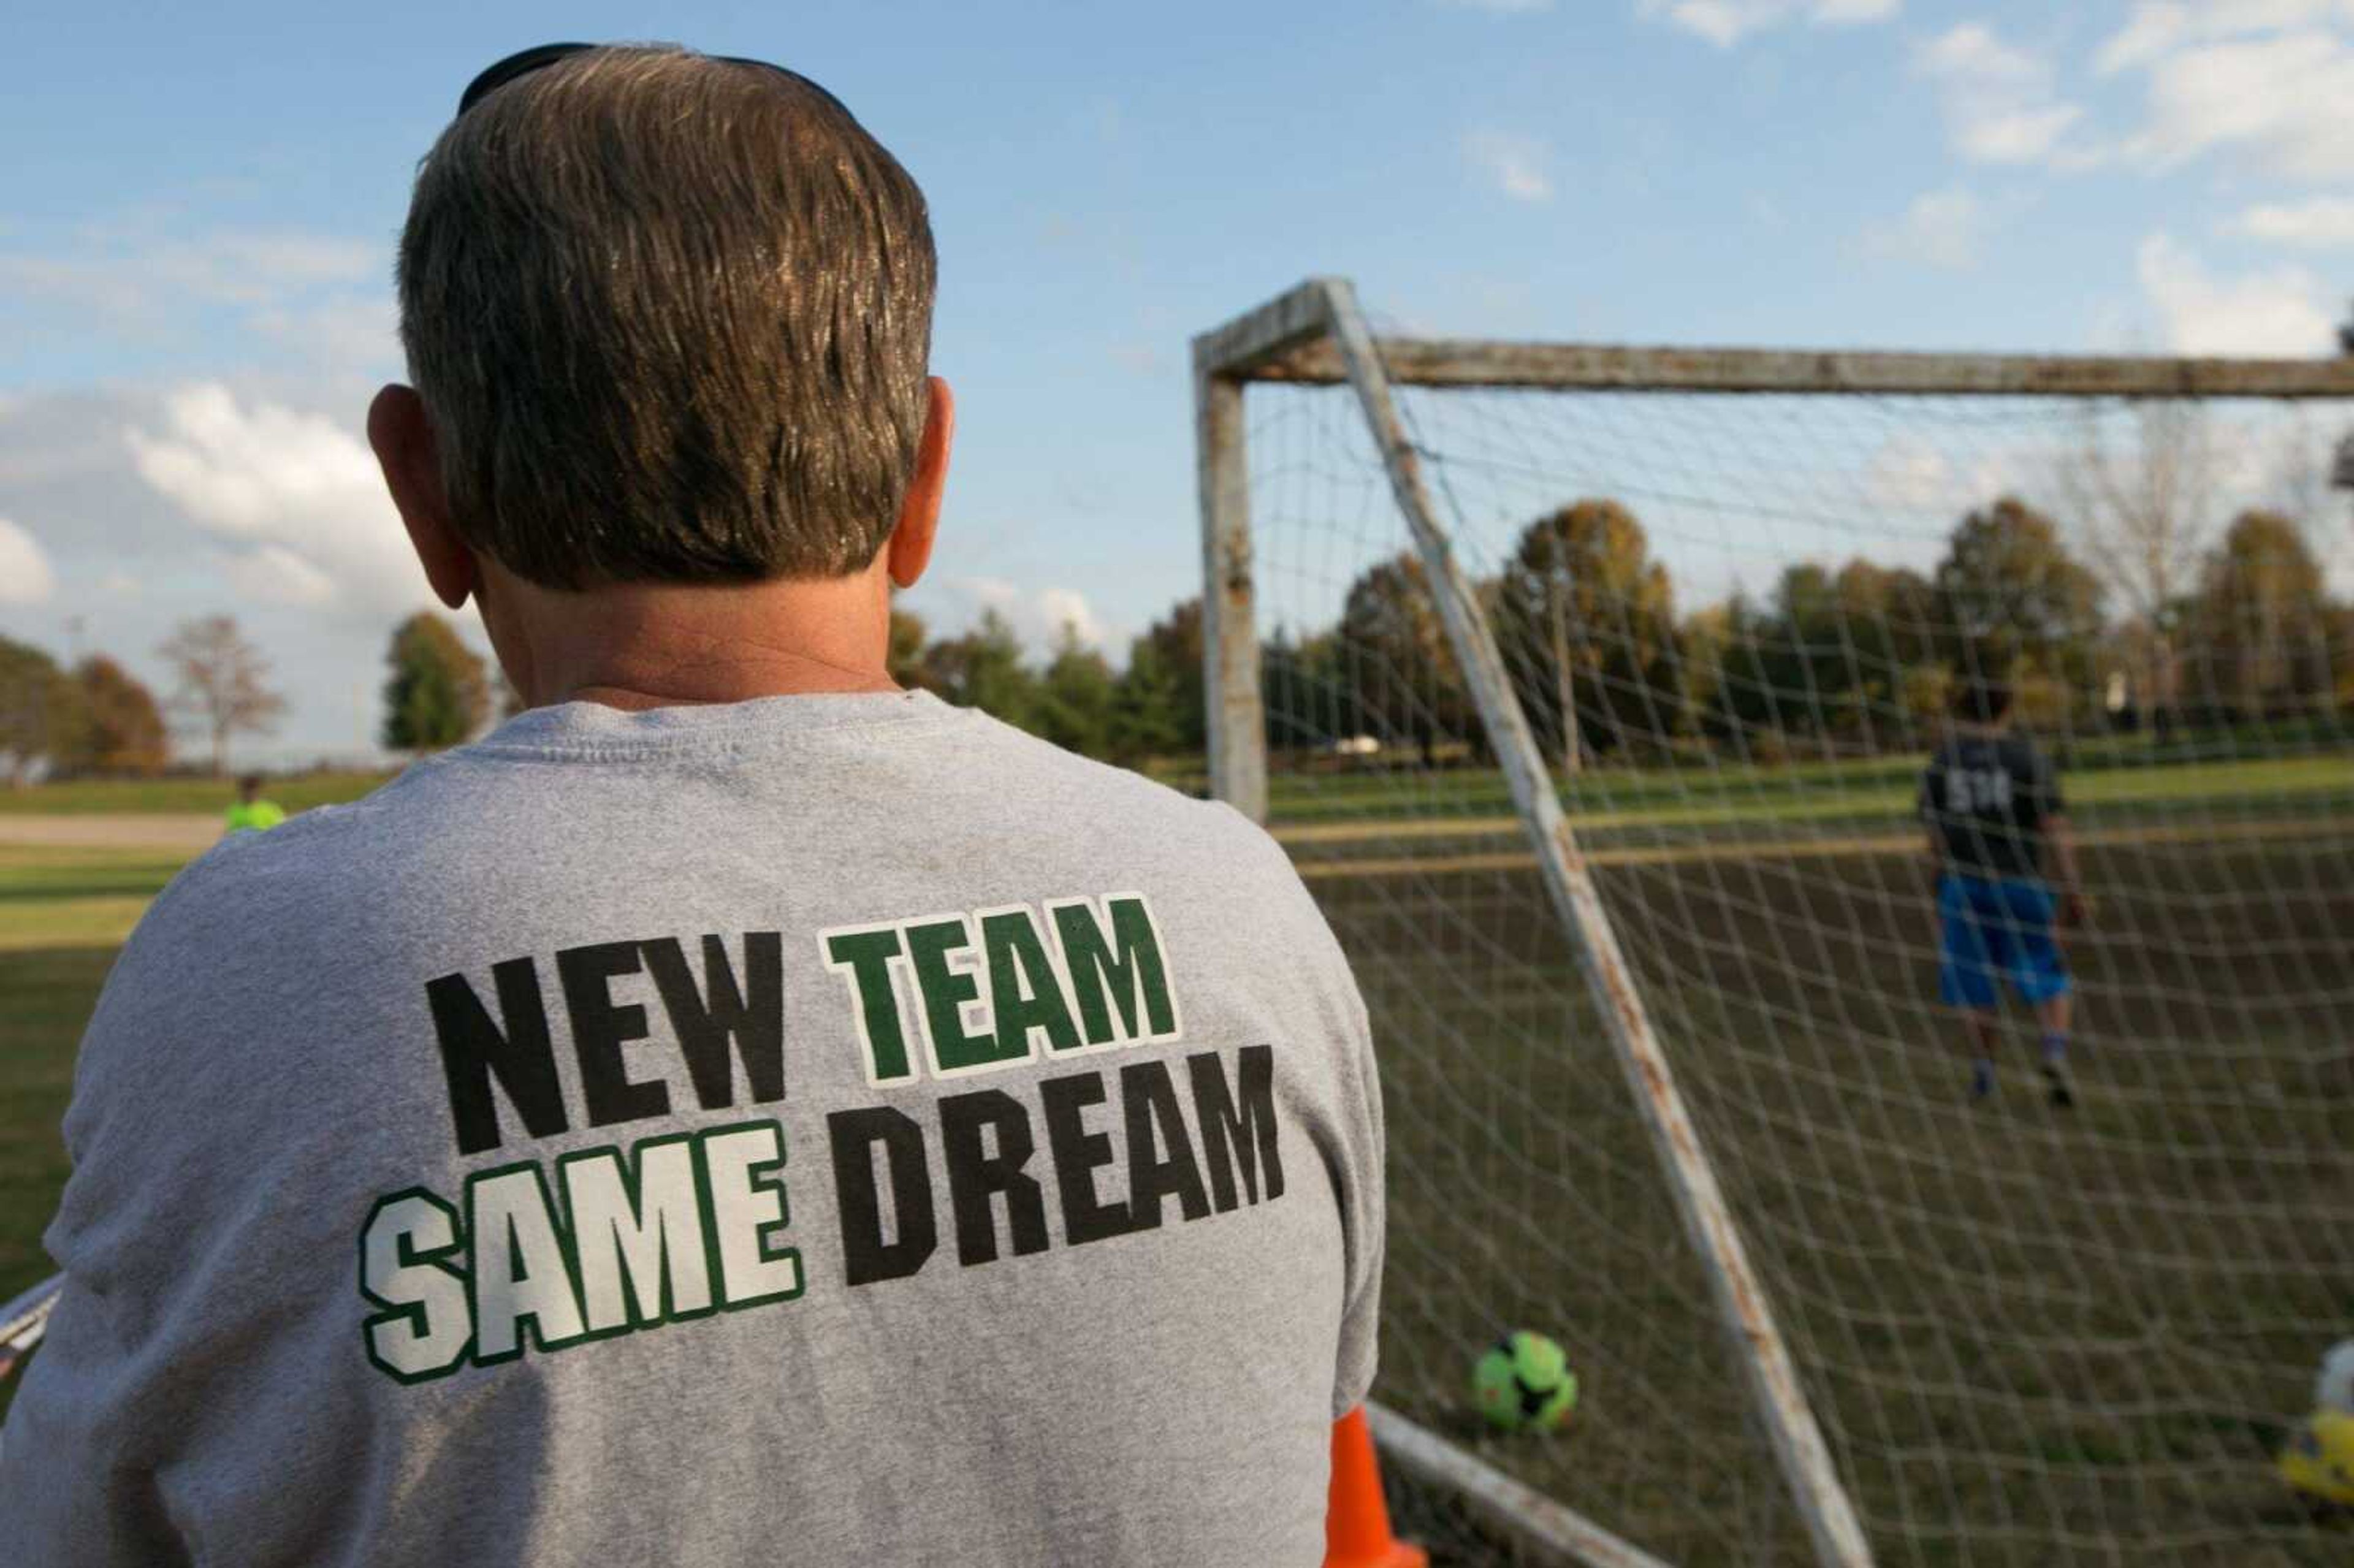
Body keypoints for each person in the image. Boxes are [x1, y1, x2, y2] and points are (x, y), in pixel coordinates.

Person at [0, 44, 1385, 1567]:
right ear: (923, 473)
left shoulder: (252, 977)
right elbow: (1339, 1517)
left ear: (420, 488)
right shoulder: (1236, 901)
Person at [1919, 676, 2089, 1106]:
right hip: (2020, 884)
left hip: (1963, 887)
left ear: (1961, 711)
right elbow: (2054, 828)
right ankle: (2053, 1052)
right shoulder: (2026, 758)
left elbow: (1934, 842)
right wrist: (2074, 889)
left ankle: (1983, 1075)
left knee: (1973, 981)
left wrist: (1935, 892)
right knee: (2047, 973)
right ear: (2008, 709)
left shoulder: (1943, 763)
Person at [222, 772, 286, 834]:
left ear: (259, 790)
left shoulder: (271, 809)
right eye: (247, 789)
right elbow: (230, 833)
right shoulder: (234, 810)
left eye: (253, 789)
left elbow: (280, 831)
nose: (250, 793)